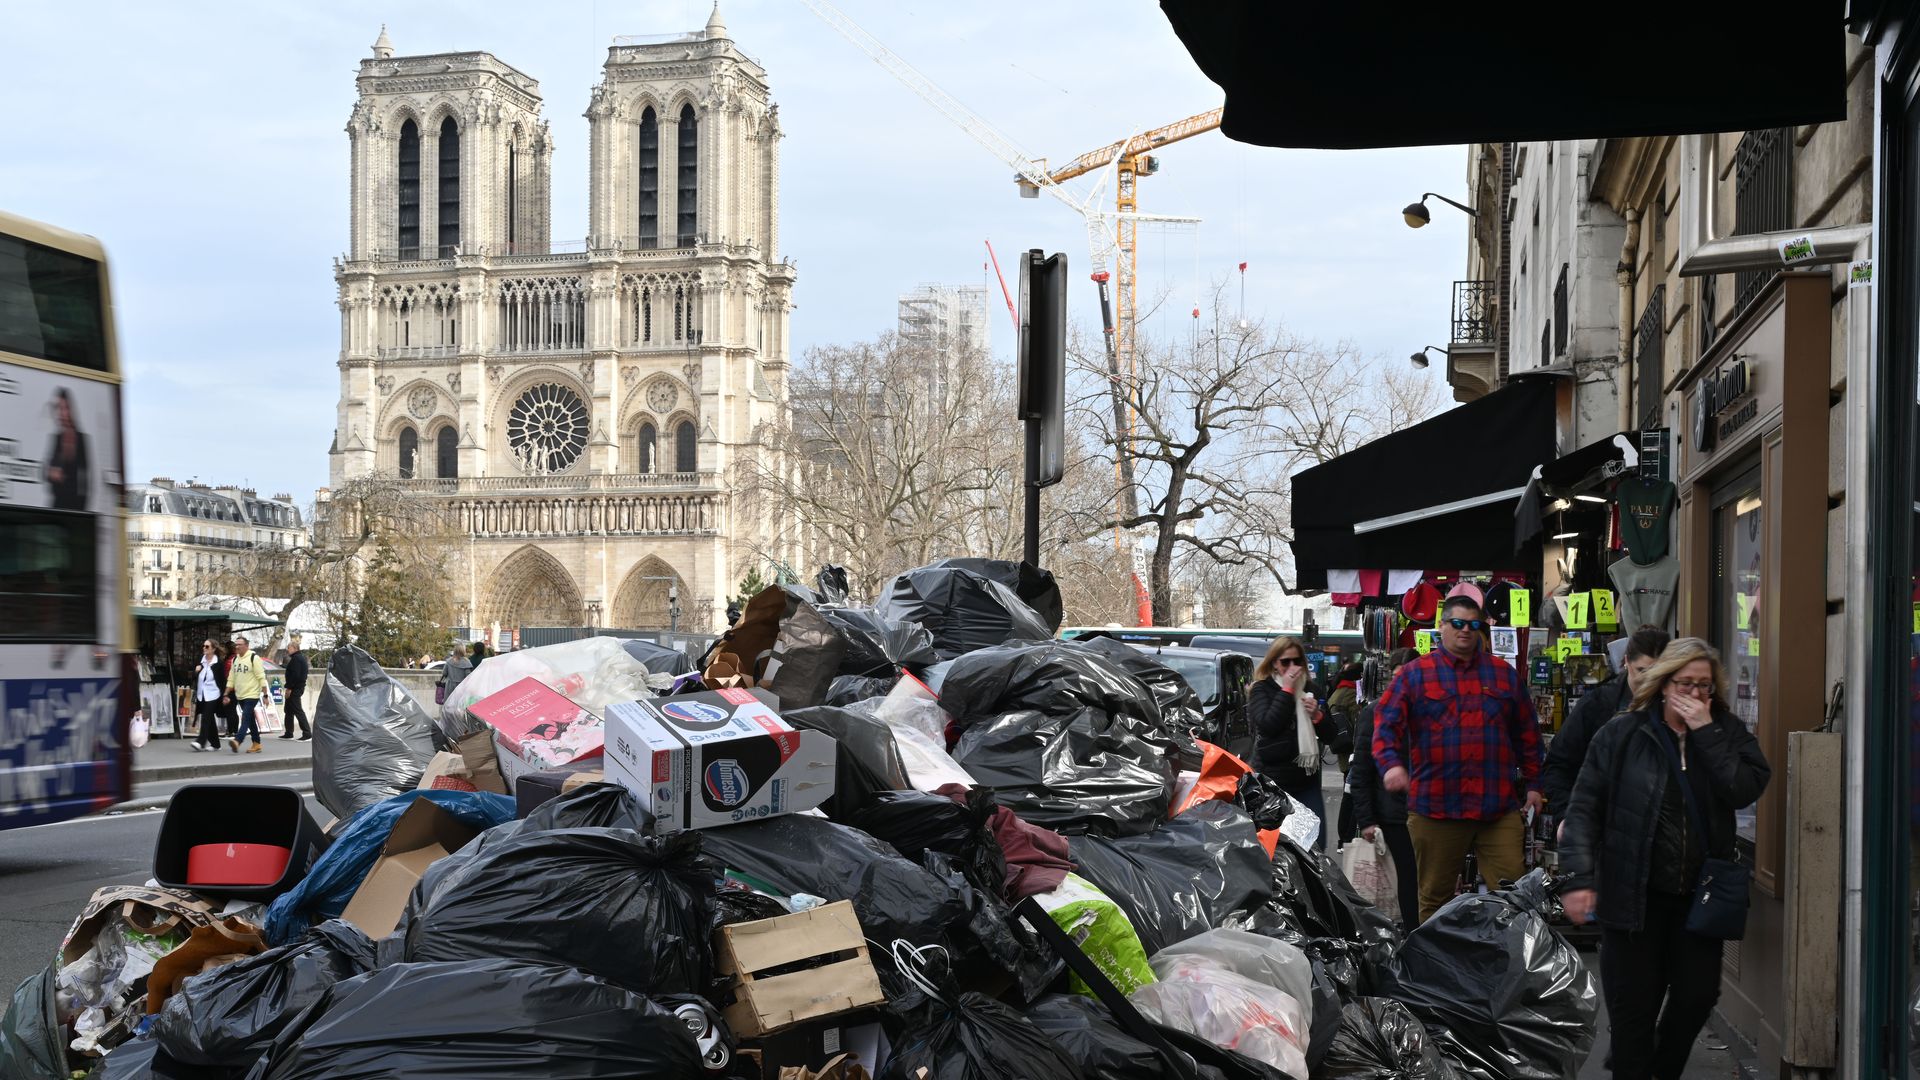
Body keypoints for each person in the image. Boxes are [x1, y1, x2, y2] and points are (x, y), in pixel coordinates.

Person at [1559, 638, 1770, 1080]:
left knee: (1697, 996)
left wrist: (1707, 732)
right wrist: (1579, 878)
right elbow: (1583, 809)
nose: (1695, 695)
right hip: (1633, 898)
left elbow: (1745, 787)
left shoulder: (1725, 730)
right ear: (1662, 683)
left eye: (1705, 686)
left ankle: (1661, 1068)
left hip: (1699, 899)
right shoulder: (1622, 733)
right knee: (1633, 1013)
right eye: (1685, 684)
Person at [1373, 595, 1545, 923]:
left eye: (1474, 624)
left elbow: (1528, 732)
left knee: (1516, 894)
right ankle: (1435, 968)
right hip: (1437, 808)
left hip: (1496, 807)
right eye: (1458, 623)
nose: (1466, 630)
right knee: (1434, 897)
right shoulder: (1414, 674)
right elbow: (1386, 724)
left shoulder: (1502, 675)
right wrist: (1391, 764)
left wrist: (1535, 783)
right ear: (1442, 627)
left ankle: (1514, 965)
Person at [1542, 624, 1672, 828]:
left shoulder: (1676, 707)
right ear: (1627, 662)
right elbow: (1558, 765)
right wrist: (1569, 817)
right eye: (1642, 671)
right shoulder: (1597, 705)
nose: (1650, 681)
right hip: (1604, 829)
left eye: (1658, 673)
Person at [1347, 647, 1422, 928]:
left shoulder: (1432, 709)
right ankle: (1415, 937)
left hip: (1430, 810)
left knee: (1428, 881)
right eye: (1396, 677)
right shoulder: (1375, 712)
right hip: (1394, 814)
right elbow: (1361, 770)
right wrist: (1366, 819)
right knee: (1408, 877)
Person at [1249, 635, 1342, 850]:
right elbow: (1267, 725)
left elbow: (1331, 736)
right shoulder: (1261, 689)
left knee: (1315, 843)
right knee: (1275, 845)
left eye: (1297, 661)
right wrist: (1287, 691)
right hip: (1272, 781)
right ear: (1274, 663)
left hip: (1305, 780)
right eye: (1285, 662)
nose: (1292, 667)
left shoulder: (1312, 689)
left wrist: (1318, 716)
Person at [1328, 662, 1365, 847]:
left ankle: (1343, 839)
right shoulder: (1351, 694)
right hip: (1351, 750)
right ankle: (1346, 839)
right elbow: (1358, 721)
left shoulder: (1338, 691)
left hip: (1344, 751)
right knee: (1351, 797)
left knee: (1348, 794)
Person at [43, 388, 89, 511]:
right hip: (57, 505)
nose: (62, 413)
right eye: (59, 408)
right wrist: (51, 474)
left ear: (70, 409)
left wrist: (82, 508)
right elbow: (45, 471)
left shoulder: (81, 439)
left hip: (76, 508)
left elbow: (86, 478)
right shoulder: (57, 439)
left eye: (65, 408)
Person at [223, 635, 269, 754]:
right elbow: (231, 679)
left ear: (246, 646)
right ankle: (256, 744)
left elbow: (261, 678)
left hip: (252, 694)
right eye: (236, 644)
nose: (237, 646)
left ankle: (238, 740)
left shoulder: (254, 658)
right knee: (250, 719)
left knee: (245, 717)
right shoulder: (235, 660)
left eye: (239, 644)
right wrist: (226, 693)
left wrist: (265, 695)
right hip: (240, 695)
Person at [191, 639, 227, 752]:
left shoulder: (219, 663)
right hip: (202, 694)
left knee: (206, 717)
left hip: (214, 694)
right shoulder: (200, 660)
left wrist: (225, 695)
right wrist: (195, 672)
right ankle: (216, 744)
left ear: (213, 649)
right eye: (203, 646)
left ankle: (200, 742)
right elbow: (193, 677)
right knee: (209, 719)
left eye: (207, 646)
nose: (204, 648)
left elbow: (222, 680)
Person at [280, 635, 311, 740]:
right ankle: (289, 732)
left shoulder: (296, 659)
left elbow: (295, 675)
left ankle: (307, 733)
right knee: (288, 710)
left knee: (297, 710)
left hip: (295, 688)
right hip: (296, 687)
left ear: (294, 648)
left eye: (289, 648)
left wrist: (289, 688)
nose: (287, 650)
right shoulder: (298, 658)